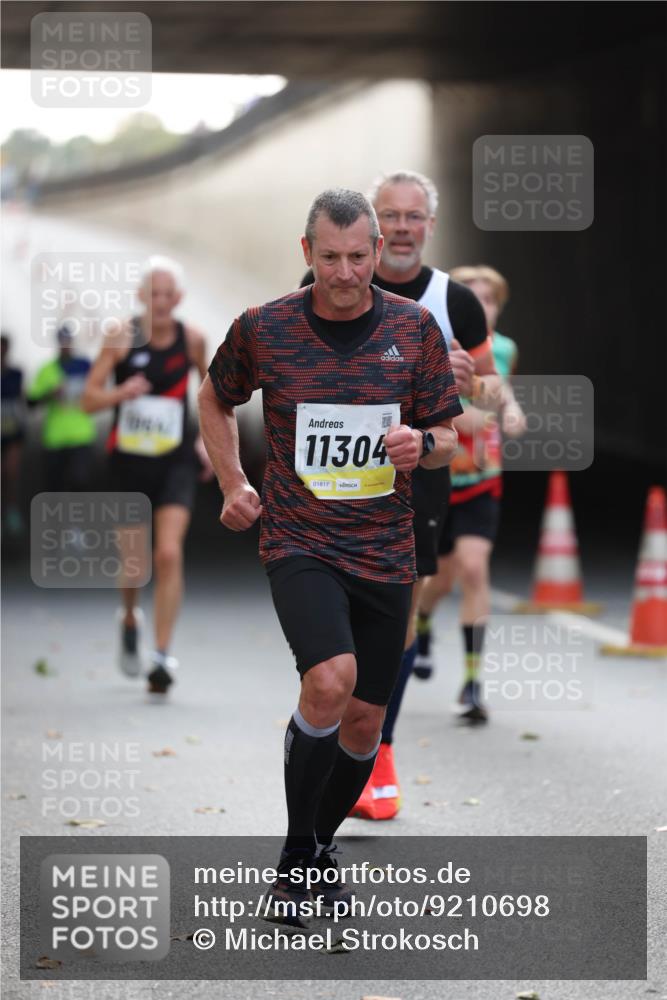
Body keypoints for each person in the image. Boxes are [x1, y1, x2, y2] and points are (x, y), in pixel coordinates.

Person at [198, 188, 461, 919]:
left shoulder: (412, 329)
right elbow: (214, 398)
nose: (344, 273)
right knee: (328, 681)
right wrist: (233, 481)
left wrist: (421, 443)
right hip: (300, 539)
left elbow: (448, 437)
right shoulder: (265, 327)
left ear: (376, 252)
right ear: (306, 252)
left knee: (365, 721)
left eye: (356, 257)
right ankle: (294, 863)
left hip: (385, 548)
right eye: (329, 257)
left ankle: (316, 847)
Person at [301, 171, 504, 820]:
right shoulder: (329, 284)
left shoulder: (455, 302)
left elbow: (495, 397)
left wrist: (470, 385)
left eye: (414, 216)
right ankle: (332, 725)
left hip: (418, 481)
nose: (403, 227)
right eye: (390, 215)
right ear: (373, 227)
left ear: (430, 226)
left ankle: (377, 749)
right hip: (337, 483)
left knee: (396, 620)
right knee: (332, 632)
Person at [82, 256, 213, 694]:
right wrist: (121, 391)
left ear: (179, 298)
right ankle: (129, 615)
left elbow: (212, 396)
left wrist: (205, 442)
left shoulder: (192, 340)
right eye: (153, 294)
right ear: (141, 296)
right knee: (134, 563)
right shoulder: (121, 337)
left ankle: (160, 655)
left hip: (175, 461)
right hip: (129, 463)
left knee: (168, 554)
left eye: (167, 294)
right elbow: (88, 400)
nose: (160, 302)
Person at [416, 265, 526, 722]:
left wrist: (512, 410)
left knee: (475, 569)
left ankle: (473, 683)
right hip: (438, 479)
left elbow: (501, 388)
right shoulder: (435, 340)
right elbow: (452, 410)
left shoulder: (504, 348)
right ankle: (422, 625)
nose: (483, 307)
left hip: (482, 478)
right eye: (474, 298)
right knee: (439, 581)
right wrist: (474, 420)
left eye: (491, 300)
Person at [27, 323, 96, 493]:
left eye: (68, 340)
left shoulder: (85, 366)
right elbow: (31, 402)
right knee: (54, 486)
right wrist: (50, 394)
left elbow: (98, 393)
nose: (65, 344)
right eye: (62, 340)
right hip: (55, 438)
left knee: (79, 482)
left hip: (81, 435)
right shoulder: (47, 369)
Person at [1, 333, 27, 538]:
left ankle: (11, 511)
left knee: (11, 474)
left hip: (11, 432)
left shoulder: (16, 374)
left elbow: (22, 400)